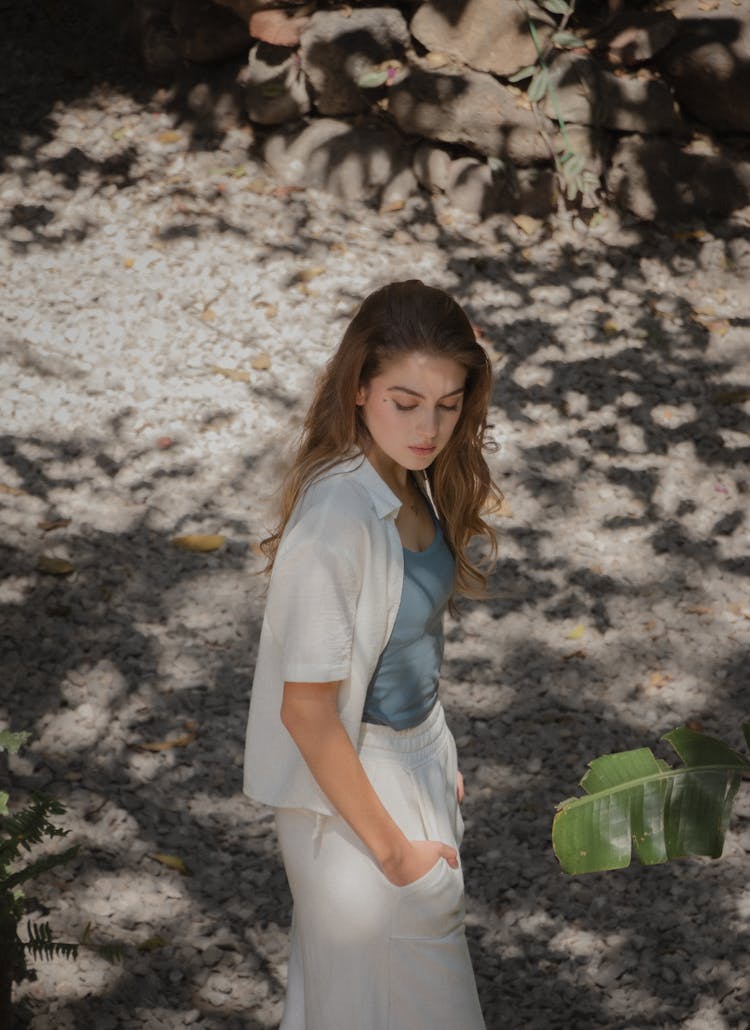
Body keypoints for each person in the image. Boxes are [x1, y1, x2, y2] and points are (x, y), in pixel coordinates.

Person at [243, 279, 502, 1029]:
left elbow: (410, 647)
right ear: (358, 390)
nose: (429, 427)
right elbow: (308, 712)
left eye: (448, 404)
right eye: (405, 401)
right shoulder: (335, 523)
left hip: (411, 766)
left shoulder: (408, 478)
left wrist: (435, 759)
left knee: (345, 1009)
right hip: (356, 799)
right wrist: (393, 854)